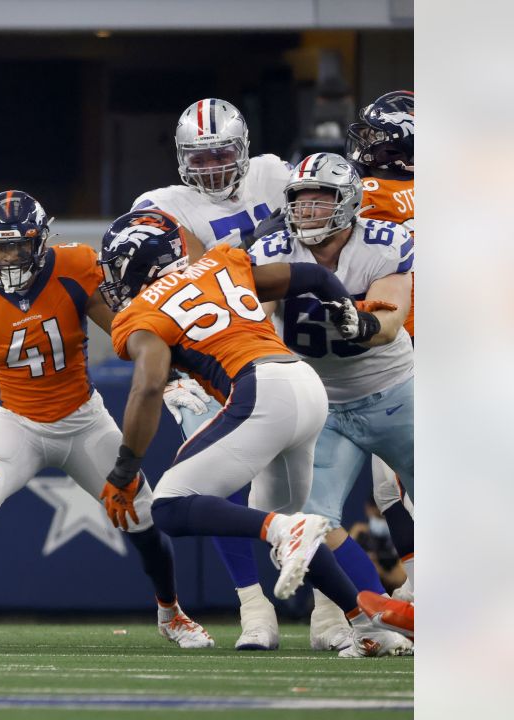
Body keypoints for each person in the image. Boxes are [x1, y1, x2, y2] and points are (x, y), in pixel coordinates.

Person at [0, 192, 210, 647]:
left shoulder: (75, 267)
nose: (9, 256)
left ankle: (172, 613)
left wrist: (170, 378)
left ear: (41, 242)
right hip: (17, 422)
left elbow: (130, 335)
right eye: (0, 246)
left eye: (19, 245)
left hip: (83, 420)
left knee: (142, 521)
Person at [99, 207, 414, 657]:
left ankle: (289, 534)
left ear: (139, 264)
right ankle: (367, 624)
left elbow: (148, 385)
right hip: (307, 386)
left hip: (261, 390)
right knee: (285, 519)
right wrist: (348, 311)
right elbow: (314, 277)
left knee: (169, 507)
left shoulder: (139, 313)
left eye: (115, 267)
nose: (111, 279)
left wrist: (125, 470)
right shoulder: (220, 262)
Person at [130, 98, 294, 650]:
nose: (211, 168)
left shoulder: (273, 173)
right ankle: (254, 607)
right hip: (206, 358)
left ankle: (329, 609)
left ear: (242, 148)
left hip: (281, 343)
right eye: (197, 158)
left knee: (308, 482)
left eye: (221, 153)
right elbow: (179, 274)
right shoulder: (162, 204)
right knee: (216, 481)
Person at [248, 152, 414, 654]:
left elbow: (389, 321)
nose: (309, 209)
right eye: (300, 198)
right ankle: (360, 613)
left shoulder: (383, 243)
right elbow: (258, 315)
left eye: (321, 198)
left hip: (394, 392)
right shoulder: (273, 248)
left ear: (348, 202)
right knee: (309, 524)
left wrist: (364, 325)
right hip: (320, 404)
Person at [346, 90, 416, 603]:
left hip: (403, 345)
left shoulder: (367, 191)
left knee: (393, 483)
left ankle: (423, 591)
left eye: (374, 137)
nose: (365, 146)